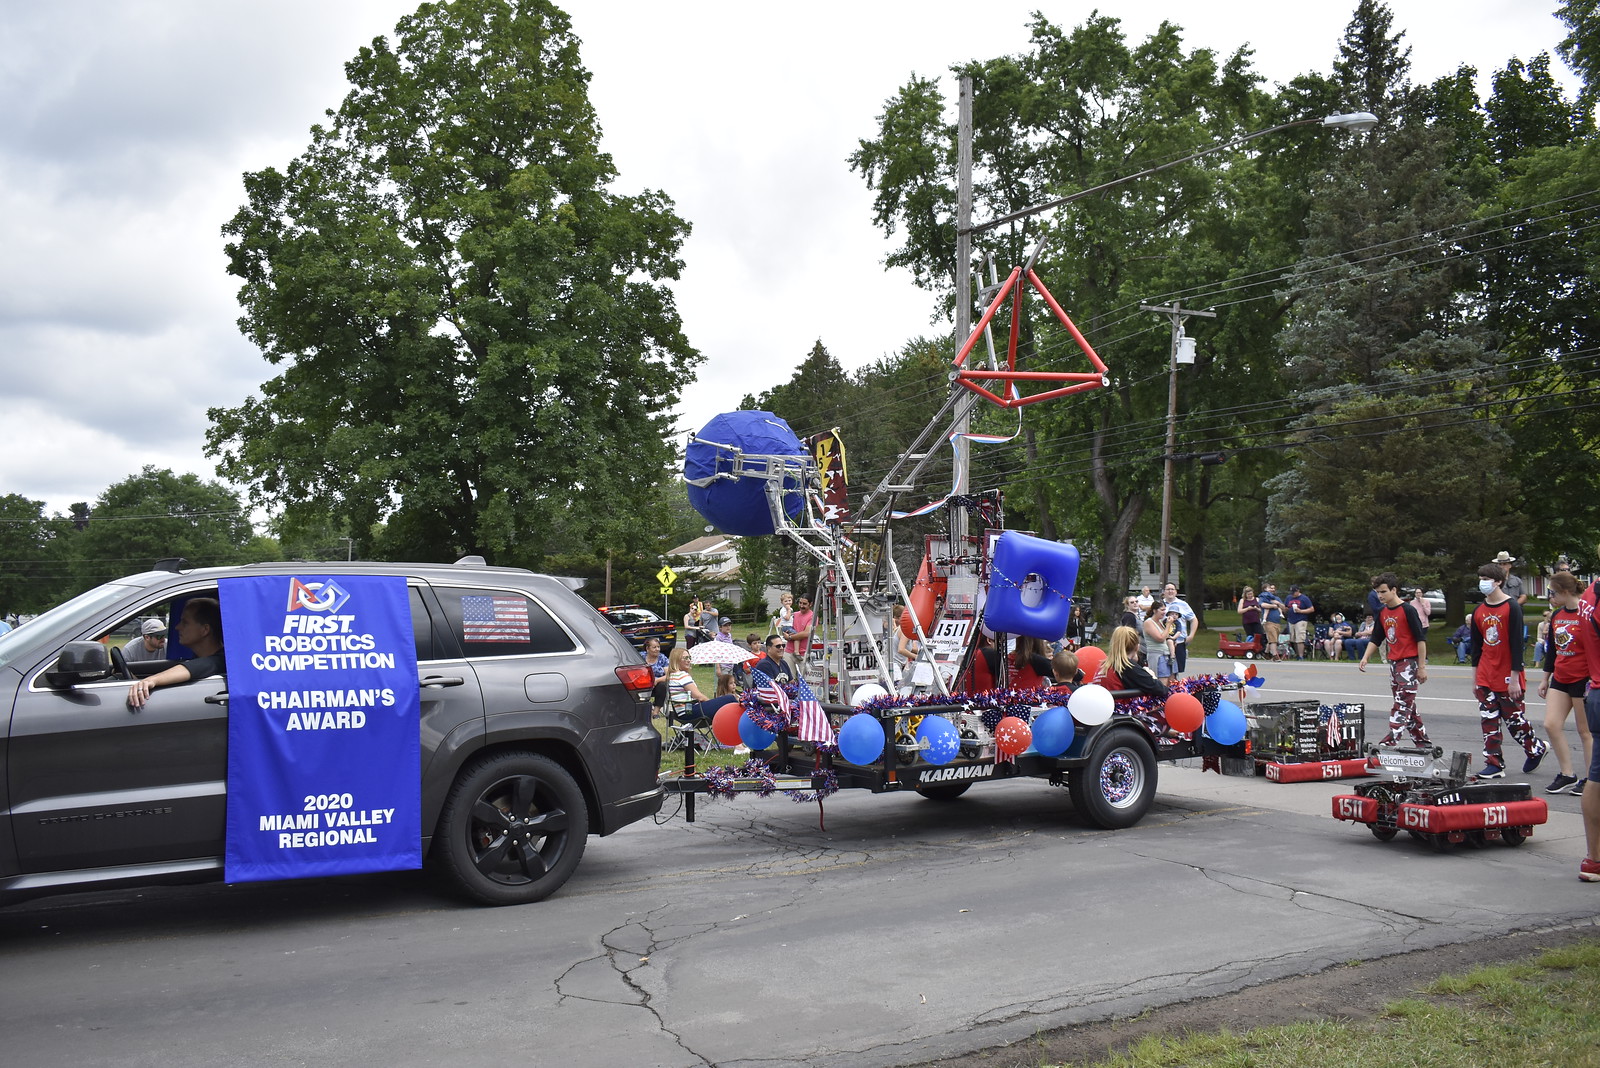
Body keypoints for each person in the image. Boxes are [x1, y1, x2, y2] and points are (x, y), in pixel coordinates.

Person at [1468, 561, 1546, 780]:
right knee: (1488, 719)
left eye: (1487, 579)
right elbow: (1476, 647)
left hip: (1507, 672)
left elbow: (1516, 646)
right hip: (1485, 672)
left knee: (1514, 720)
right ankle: (1494, 763)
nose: (1483, 583)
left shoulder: (1511, 607)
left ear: (1499, 582)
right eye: (1481, 579)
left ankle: (1535, 747)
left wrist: (1514, 679)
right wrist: (1475, 678)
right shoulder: (1479, 611)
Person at [1358, 572, 1431, 748]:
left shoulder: (1407, 610)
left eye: (1383, 591)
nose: (1380, 596)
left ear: (1394, 590)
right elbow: (1376, 637)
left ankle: (1391, 740)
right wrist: (1366, 657)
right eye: (1377, 592)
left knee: (1402, 703)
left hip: (1409, 663)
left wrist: (1421, 667)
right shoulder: (1383, 612)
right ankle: (1423, 742)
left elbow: (1420, 640)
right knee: (1409, 706)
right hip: (1394, 664)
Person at [1539, 571, 1593, 795]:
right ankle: (1567, 773)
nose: (1550, 596)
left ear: (1565, 591)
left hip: (1583, 679)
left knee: (1585, 731)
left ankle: (1590, 779)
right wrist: (1545, 678)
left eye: (1552, 592)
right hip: (1561, 677)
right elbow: (1552, 650)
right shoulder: (1558, 615)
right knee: (1551, 724)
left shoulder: (1587, 614)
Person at [126, 597, 224, 708]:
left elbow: (199, 666)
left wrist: (150, 681)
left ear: (204, 630)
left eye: (185, 623)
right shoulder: (198, 657)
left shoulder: (222, 660)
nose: (177, 627)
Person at [1093, 625, 1170, 700]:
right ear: (1137, 646)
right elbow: (1161, 690)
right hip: (1120, 710)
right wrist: (1152, 676)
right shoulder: (1126, 666)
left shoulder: (1103, 665)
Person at [1160, 583, 1196, 674]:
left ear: (1176, 592)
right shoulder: (1160, 605)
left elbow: (1194, 620)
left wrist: (1191, 635)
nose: (1170, 591)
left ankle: (1176, 687)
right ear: (1164, 591)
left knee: (1178, 670)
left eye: (1172, 589)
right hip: (1163, 642)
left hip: (1180, 641)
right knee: (1164, 670)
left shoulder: (1183, 604)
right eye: (1168, 589)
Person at [1142, 607, 1175, 682]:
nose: (1164, 612)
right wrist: (1168, 625)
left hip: (1166, 654)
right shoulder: (1149, 622)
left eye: (1165, 610)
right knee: (1162, 679)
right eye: (1162, 610)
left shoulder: (1160, 622)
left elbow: (1166, 636)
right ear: (1154, 610)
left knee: (1170, 679)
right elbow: (1160, 638)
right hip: (1157, 655)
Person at [1285, 585, 1315, 660]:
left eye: (1294, 592)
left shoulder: (1304, 598)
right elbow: (1286, 607)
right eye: (1291, 592)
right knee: (1293, 638)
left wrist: (1301, 611)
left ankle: (1301, 656)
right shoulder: (1289, 598)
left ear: (1298, 591)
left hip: (1301, 619)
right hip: (1291, 620)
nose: (1292, 594)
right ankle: (1297, 654)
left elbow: (1311, 609)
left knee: (1300, 638)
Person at [1257, 581, 1286, 659]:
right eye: (1270, 588)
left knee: (1273, 639)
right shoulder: (1263, 597)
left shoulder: (1277, 598)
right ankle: (1275, 655)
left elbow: (1283, 608)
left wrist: (1278, 603)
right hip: (1269, 622)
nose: (1272, 590)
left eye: (1273, 588)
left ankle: (1266, 653)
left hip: (1277, 622)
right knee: (1273, 639)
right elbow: (1262, 605)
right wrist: (1273, 605)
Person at [642, 636, 669, 715]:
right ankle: (646, 709)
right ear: (647, 648)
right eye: (654, 647)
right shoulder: (640, 657)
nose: (657, 649)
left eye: (658, 647)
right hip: (643, 683)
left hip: (657, 685)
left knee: (662, 686)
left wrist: (656, 680)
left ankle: (655, 712)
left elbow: (668, 676)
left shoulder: (662, 658)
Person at [785, 596, 815, 667]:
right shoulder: (794, 615)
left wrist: (790, 637)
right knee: (789, 677)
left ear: (810, 604)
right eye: (800, 603)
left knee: (803, 677)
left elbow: (806, 633)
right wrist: (785, 633)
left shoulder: (812, 617)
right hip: (789, 651)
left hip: (803, 653)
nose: (801, 606)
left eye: (804, 604)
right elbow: (785, 626)